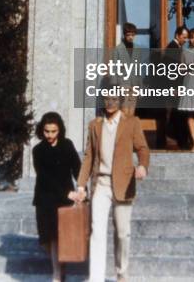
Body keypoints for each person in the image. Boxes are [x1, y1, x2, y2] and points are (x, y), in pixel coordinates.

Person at [71, 95, 150, 282]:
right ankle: (96, 278)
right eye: (106, 99)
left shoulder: (132, 122)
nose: (110, 102)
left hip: (123, 185)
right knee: (97, 231)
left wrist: (142, 166)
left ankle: (122, 274)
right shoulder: (95, 125)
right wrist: (81, 185)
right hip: (101, 184)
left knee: (123, 233)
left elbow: (143, 148)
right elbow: (89, 157)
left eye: (114, 98)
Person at [32, 111, 81, 282]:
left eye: (53, 131)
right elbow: (45, 177)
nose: (50, 135)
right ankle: (60, 267)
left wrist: (82, 188)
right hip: (45, 199)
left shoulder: (67, 145)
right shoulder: (37, 150)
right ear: (42, 130)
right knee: (46, 240)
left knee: (57, 238)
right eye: (47, 131)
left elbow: (77, 167)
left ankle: (57, 275)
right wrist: (67, 193)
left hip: (64, 200)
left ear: (59, 130)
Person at [161, 25, 189, 148]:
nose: (186, 40)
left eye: (187, 38)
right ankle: (173, 140)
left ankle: (178, 140)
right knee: (173, 114)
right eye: (184, 37)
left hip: (176, 87)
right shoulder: (172, 48)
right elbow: (171, 70)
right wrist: (174, 87)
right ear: (177, 36)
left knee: (176, 114)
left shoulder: (176, 47)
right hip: (174, 87)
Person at [112, 22, 142, 116]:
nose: (130, 37)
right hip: (123, 84)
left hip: (134, 85)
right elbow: (114, 68)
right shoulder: (118, 49)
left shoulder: (138, 49)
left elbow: (139, 69)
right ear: (124, 35)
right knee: (124, 112)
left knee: (131, 113)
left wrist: (140, 87)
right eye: (128, 35)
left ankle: (129, 130)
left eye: (133, 35)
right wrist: (115, 86)